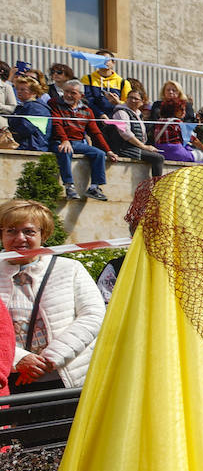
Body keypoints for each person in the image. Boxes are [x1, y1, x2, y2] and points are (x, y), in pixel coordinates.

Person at [1, 199, 106, 394]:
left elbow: (93, 315)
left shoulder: (70, 269)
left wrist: (50, 359)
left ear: (44, 234)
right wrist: (19, 359)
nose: (20, 238)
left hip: (65, 380)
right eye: (11, 230)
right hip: (9, 380)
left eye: (29, 231)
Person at [49, 80, 119, 201]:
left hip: (78, 142)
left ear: (81, 95)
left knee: (99, 154)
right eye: (66, 92)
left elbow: (95, 132)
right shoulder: (55, 104)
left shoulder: (87, 110)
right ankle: (69, 186)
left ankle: (94, 187)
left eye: (73, 93)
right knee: (66, 151)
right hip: (60, 141)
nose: (68, 95)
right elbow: (57, 124)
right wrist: (64, 140)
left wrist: (108, 151)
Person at [108, 90, 165, 177]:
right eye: (130, 98)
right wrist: (144, 147)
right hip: (124, 148)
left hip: (135, 147)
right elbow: (125, 133)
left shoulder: (138, 114)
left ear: (142, 102)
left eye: (136, 99)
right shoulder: (121, 112)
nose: (132, 100)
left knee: (158, 154)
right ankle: (157, 186)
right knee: (158, 158)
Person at [8, 75, 51, 153]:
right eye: (17, 89)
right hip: (25, 145)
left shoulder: (37, 108)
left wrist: (9, 133)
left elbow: (26, 128)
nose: (18, 92)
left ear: (34, 92)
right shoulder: (23, 106)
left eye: (23, 89)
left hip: (32, 147)